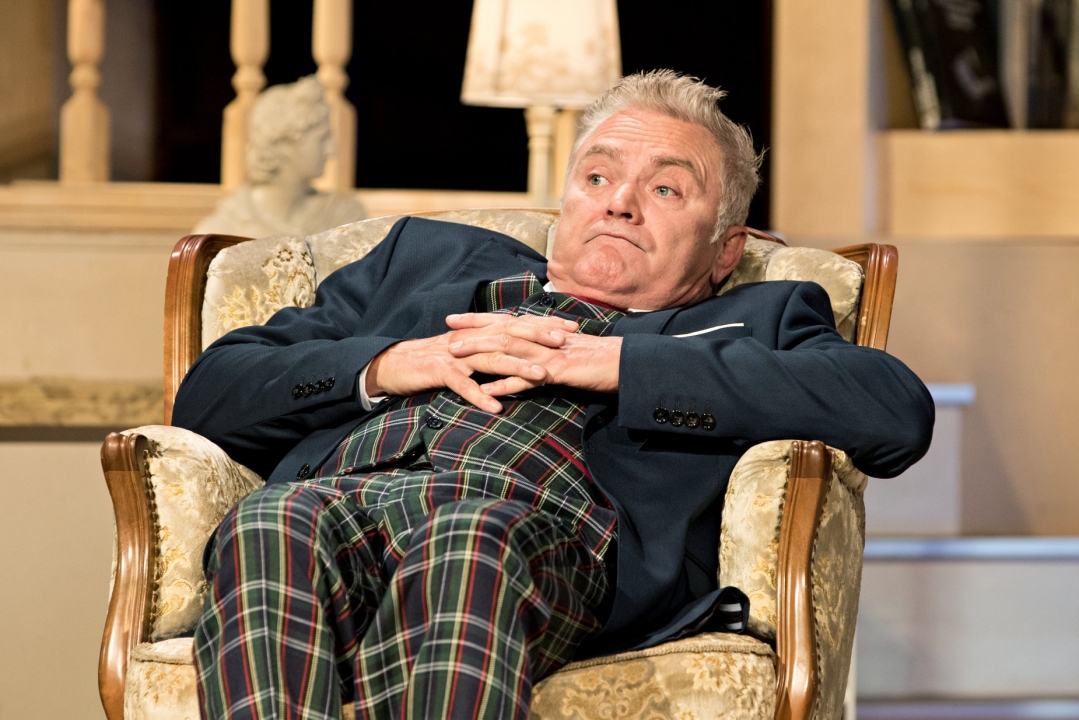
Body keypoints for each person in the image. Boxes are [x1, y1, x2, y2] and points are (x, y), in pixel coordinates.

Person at [174, 70, 933, 720]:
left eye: (665, 188)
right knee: (269, 520)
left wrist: (621, 365)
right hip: (344, 494)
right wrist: (391, 362)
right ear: (567, 200)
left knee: (467, 541)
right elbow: (210, 392)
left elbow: (891, 410)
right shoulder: (423, 260)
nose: (619, 203)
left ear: (724, 249)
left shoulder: (760, 312)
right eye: (597, 178)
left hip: (543, 531)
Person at [194, 75, 367, 238]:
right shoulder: (224, 228)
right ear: (284, 144)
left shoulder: (344, 217)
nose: (332, 149)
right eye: (321, 139)